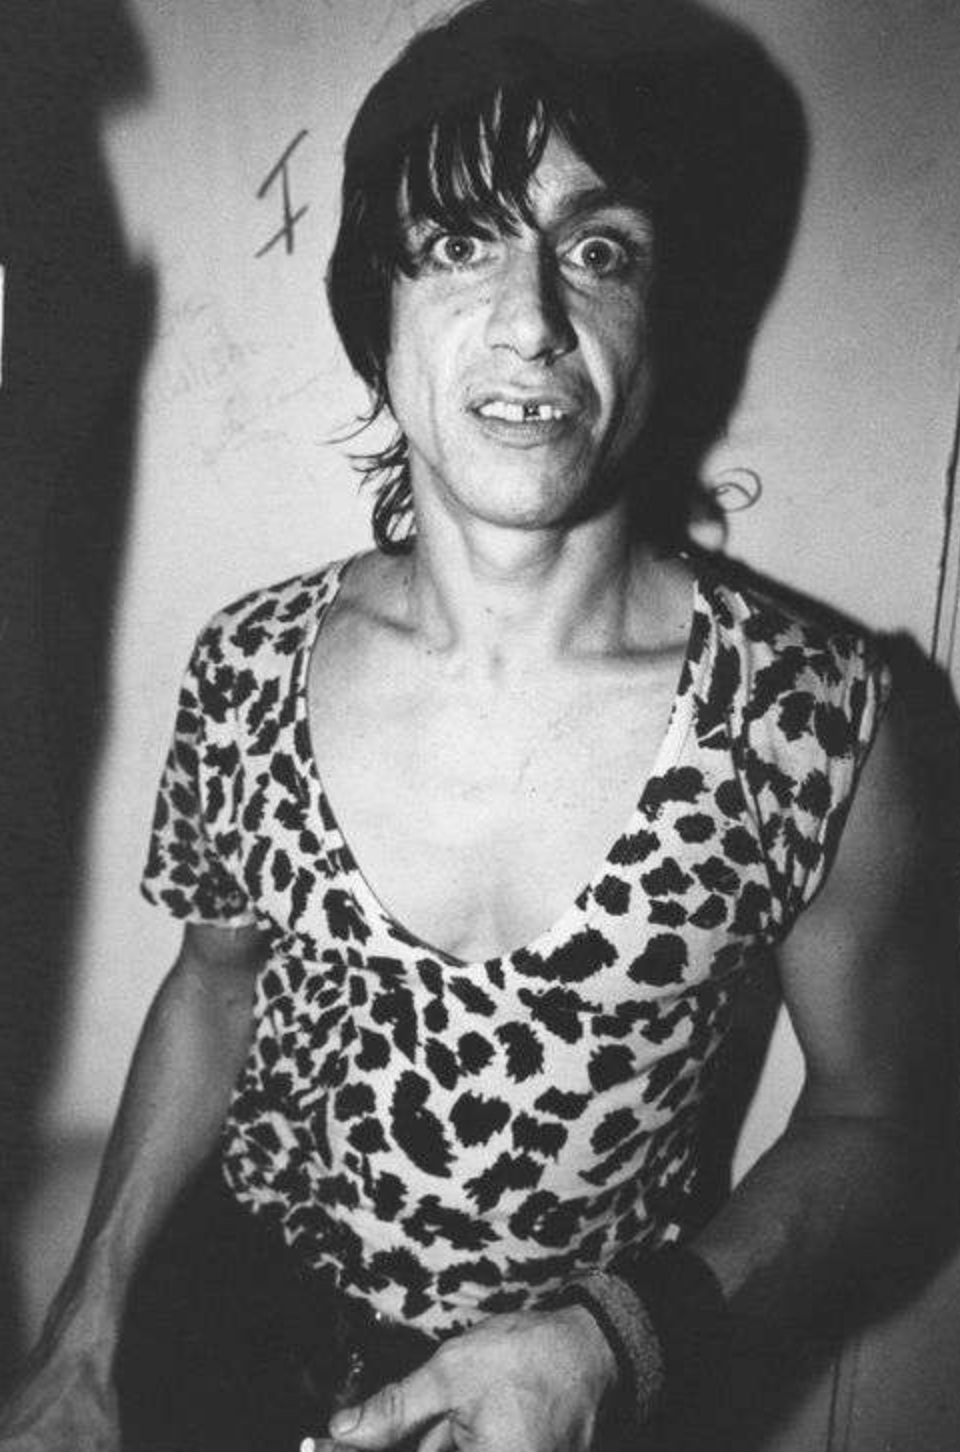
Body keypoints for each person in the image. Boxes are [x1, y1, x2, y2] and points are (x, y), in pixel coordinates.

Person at [0, 1, 953, 1449]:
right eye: (458, 242)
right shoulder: (249, 666)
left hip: (588, 1400)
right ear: (373, 315)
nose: (531, 319)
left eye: (599, 249)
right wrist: (85, 1325)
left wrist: (619, 1344)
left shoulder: (815, 722)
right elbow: (212, 987)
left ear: (665, 309)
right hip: (226, 1347)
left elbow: (881, 1125)